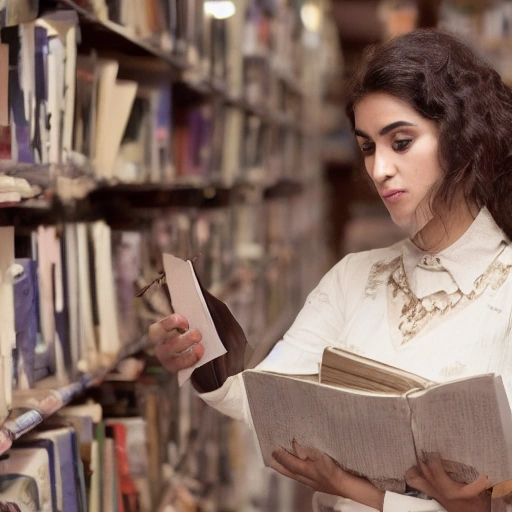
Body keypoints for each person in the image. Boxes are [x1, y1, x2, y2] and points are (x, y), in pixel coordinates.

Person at [149, 28, 512, 512]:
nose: (379, 169)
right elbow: (267, 404)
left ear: (463, 138)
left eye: (400, 142)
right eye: (367, 147)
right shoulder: (354, 277)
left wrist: (352, 487)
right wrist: (200, 358)